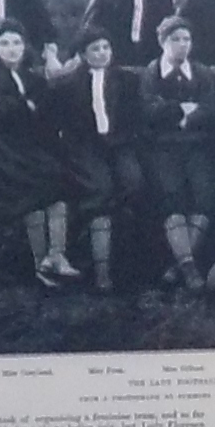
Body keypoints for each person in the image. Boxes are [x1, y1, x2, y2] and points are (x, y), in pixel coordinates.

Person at [0, 23, 71, 288]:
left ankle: (54, 256)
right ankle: (41, 264)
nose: (12, 50)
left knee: (58, 180)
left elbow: (44, 112)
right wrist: (25, 106)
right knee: (39, 186)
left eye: (17, 43)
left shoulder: (30, 76)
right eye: (5, 44)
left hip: (22, 147)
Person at [44, 29, 147, 294]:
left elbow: (137, 115)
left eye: (106, 48)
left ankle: (127, 255)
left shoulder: (126, 80)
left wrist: (126, 138)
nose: (102, 53)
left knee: (133, 182)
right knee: (100, 189)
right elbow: (55, 120)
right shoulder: (68, 85)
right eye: (95, 49)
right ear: (83, 55)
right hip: (86, 146)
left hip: (119, 143)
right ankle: (101, 270)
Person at [141, 14, 215, 288]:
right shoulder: (152, 73)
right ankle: (189, 269)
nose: (182, 45)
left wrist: (185, 115)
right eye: (175, 39)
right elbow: (149, 110)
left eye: (187, 39)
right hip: (163, 148)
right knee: (171, 199)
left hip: (197, 146)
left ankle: (179, 264)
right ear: (163, 42)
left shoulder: (201, 72)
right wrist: (181, 110)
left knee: (204, 199)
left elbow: (210, 109)